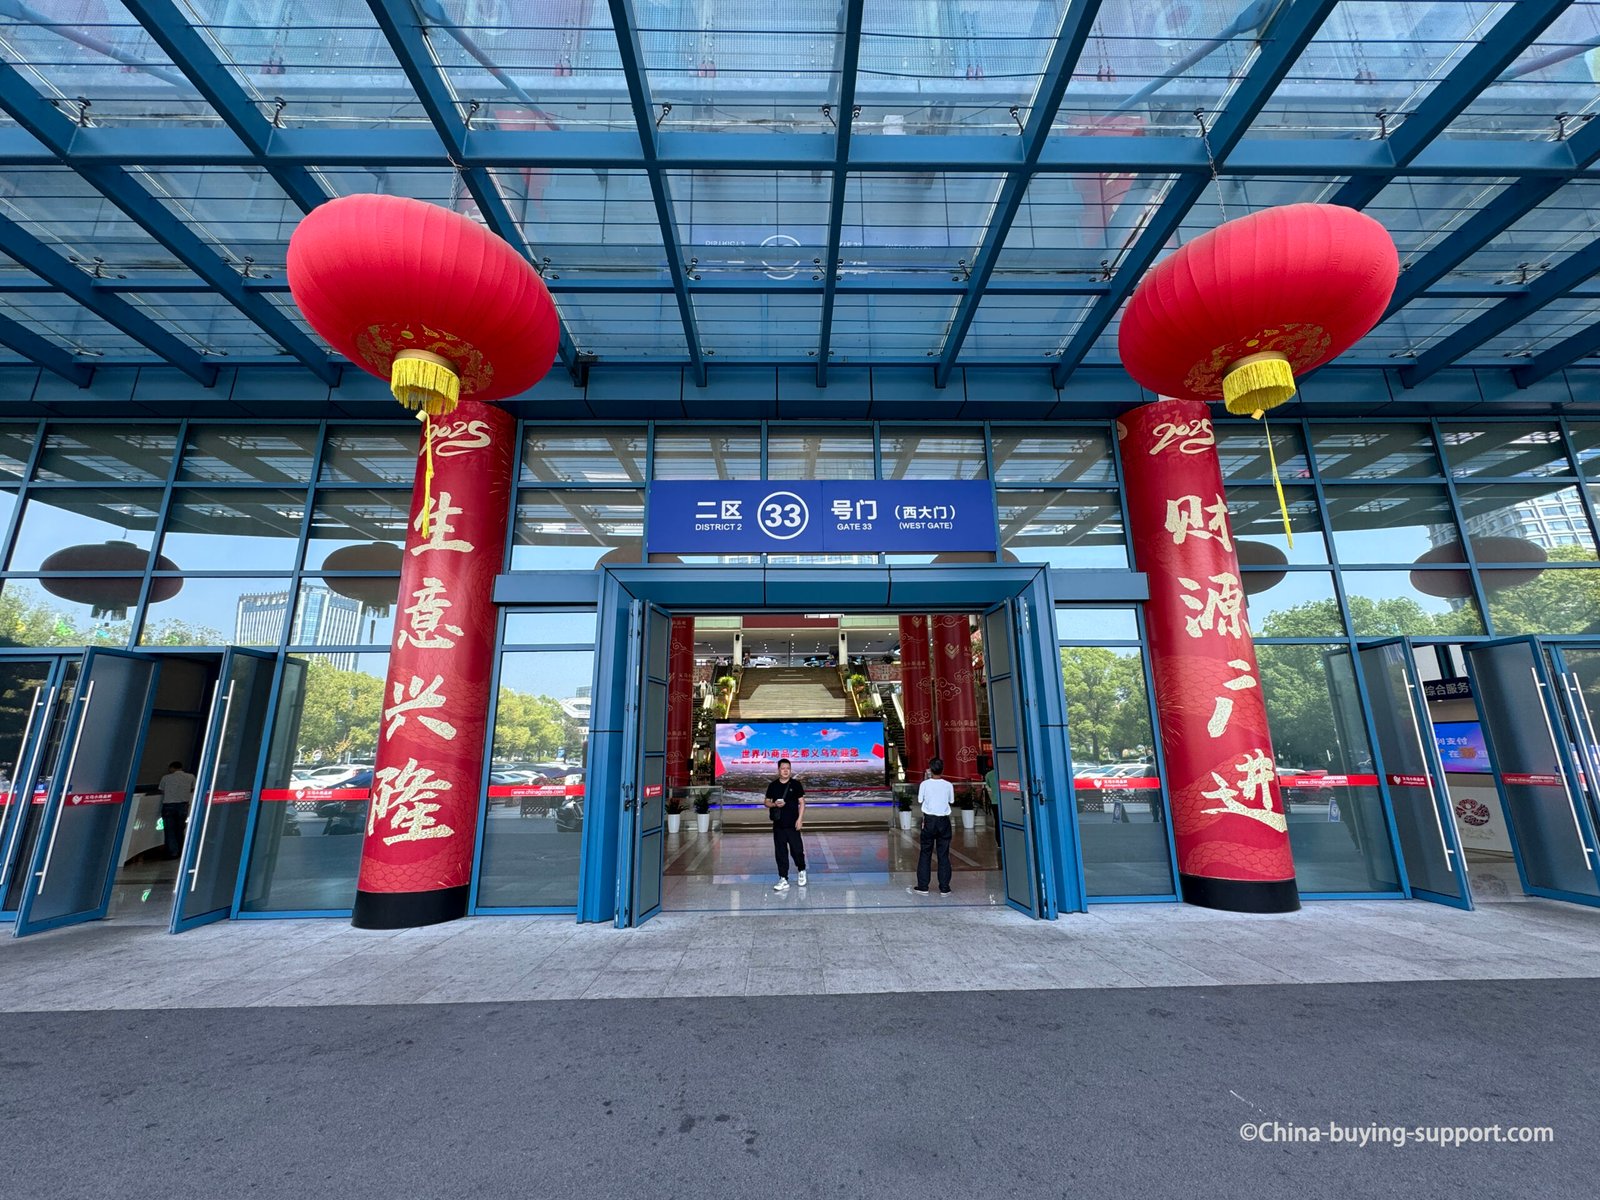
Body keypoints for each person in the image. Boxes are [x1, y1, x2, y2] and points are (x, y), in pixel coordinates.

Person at [909, 756, 954, 896]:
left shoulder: (925, 784)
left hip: (929, 821)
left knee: (925, 852)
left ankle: (923, 886)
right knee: (943, 854)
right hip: (944, 821)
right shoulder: (948, 785)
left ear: (930, 769)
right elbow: (951, 800)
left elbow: (920, 799)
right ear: (942, 769)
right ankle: (945, 887)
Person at [764, 757, 806, 892]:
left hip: (793, 824)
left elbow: (802, 802)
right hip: (778, 825)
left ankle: (801, 870)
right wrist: (774, 804)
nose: (786, 771)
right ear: (778, 770)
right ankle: (783, 878)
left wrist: (800, 819)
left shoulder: (796, 784)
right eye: (783, 768)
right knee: (780, 852)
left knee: (797, 850)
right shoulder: (773, 785)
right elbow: (766, 802)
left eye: (788, 768)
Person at [158, 760, 197, 859]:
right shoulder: (190, 777)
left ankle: (172, 852)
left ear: (172, 768)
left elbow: (162, 790)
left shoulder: (166, 778)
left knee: (169, 830)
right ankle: (181, 851)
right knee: (180, 829)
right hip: (183, 805)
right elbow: (194, 788)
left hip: (168, 805)